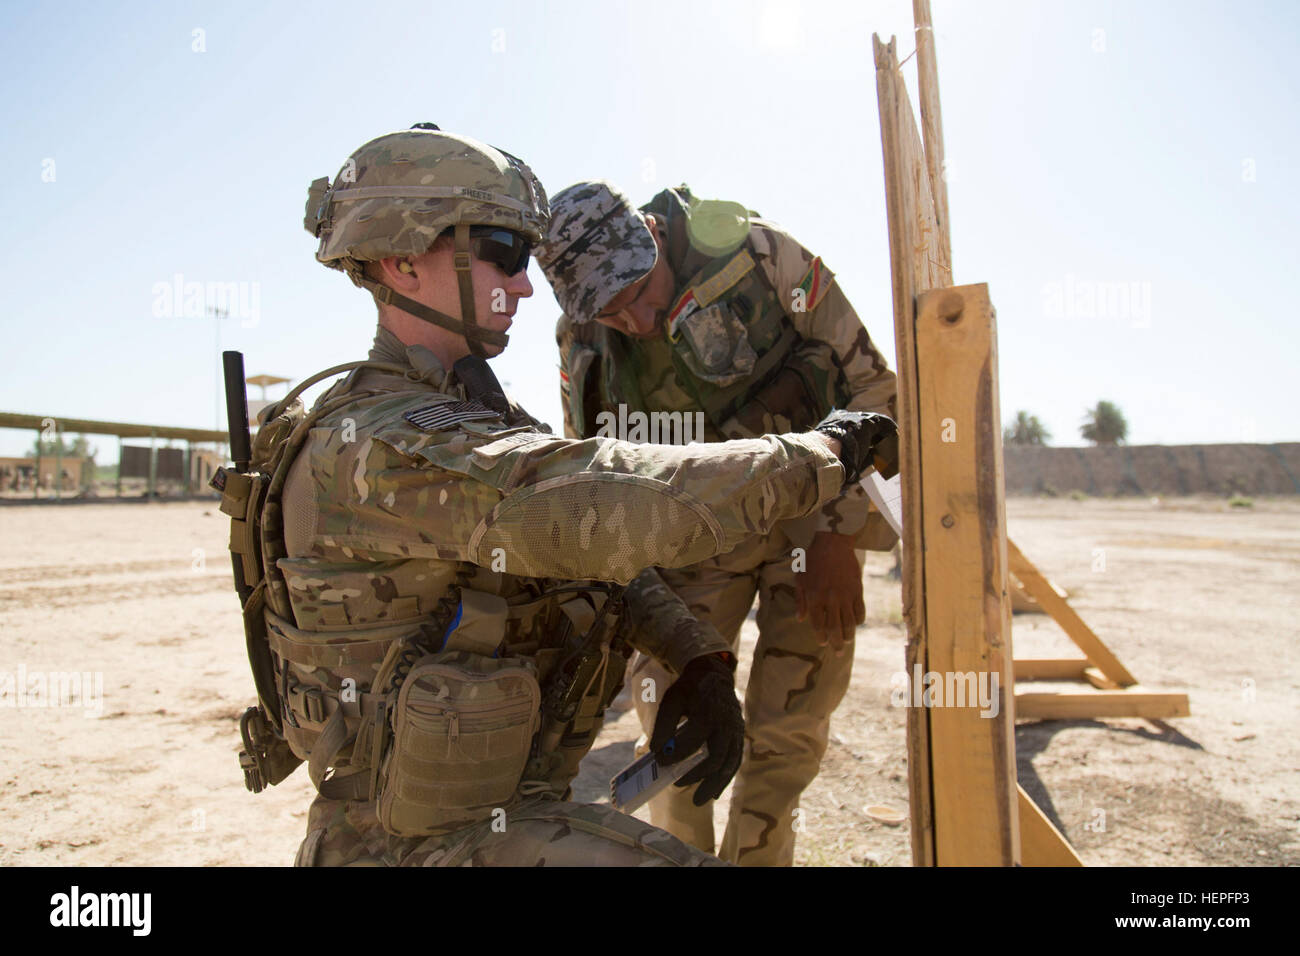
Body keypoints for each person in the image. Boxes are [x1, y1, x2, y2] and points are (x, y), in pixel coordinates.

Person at [216, 126, 896, 867]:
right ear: (401, 261)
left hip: (494, 812)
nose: (526, 285)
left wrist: (695, 655)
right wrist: (828, 451)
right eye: (503, 252)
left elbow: (590, 562)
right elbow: (606, 506)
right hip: (417, 846)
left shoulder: (467, 410)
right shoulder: (383, 442)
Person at [539, 181, 899, 865]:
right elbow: (592, 467)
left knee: (788, 731)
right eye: (612, 313)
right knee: (680, 736)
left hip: (810, 517)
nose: (637, 321)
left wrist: (838, 534)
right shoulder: (582, 334)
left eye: (638, 292)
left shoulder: (761, 256)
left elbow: (874, 386)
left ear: (650, 233)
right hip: (692, 539)